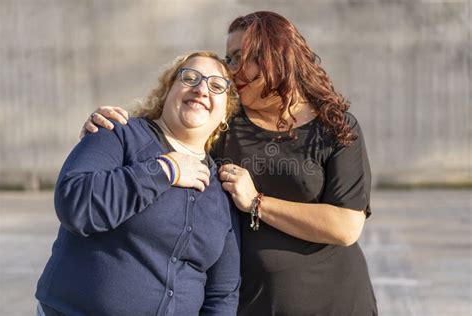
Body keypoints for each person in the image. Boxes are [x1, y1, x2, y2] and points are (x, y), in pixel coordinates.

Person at [82, 11, 378, 315]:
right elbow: (163, 132)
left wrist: (256, 202)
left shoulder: (334, 127)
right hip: (248, 304)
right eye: (228, 58)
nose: (231, 69)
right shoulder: (223, 123)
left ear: (275, 56)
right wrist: (112, 127)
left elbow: (346, 226)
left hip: (336, 301)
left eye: (239, 57)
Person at [35, 51, 241, 316]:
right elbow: (75, 204)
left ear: (226, 114)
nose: (201, 89)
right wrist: (165, 169)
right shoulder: (118, 133)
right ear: (168, 90)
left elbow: (222, 293)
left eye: (216, 86)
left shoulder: (220, 189)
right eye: (190, 78)